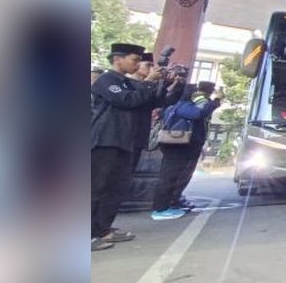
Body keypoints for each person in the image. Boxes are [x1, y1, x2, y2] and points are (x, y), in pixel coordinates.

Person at [91, 43, 162, 251]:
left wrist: (165, 84)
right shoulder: (106, 80)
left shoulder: (128, 83)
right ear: (117, 59)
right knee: (95, 188)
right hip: (105, 140)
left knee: (115, 188)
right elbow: (127, 100)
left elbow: (149, 101)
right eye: (135, 60)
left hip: (125, 141)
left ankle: (102, 229)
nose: (138, 64)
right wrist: (147, 82)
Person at [151, 84, 221, 220]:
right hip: (176, 146)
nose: (198, 95)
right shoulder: (184, 106)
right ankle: (160, 208)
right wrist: (215, 101)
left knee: (174, 176)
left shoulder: (173, 107)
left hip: (175, 146)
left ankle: (168, 204)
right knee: (169, 177)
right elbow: (199, 114)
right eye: (195, 92)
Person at [170, 81, 220, 211]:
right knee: (184, 171)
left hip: (193, 138)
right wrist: (216, 101)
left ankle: (175, 197)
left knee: (184, 171)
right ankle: (174, 198)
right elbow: (200, 114)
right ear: (210, 90)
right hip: (191, 139)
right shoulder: (201, 100)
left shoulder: (198, 99)